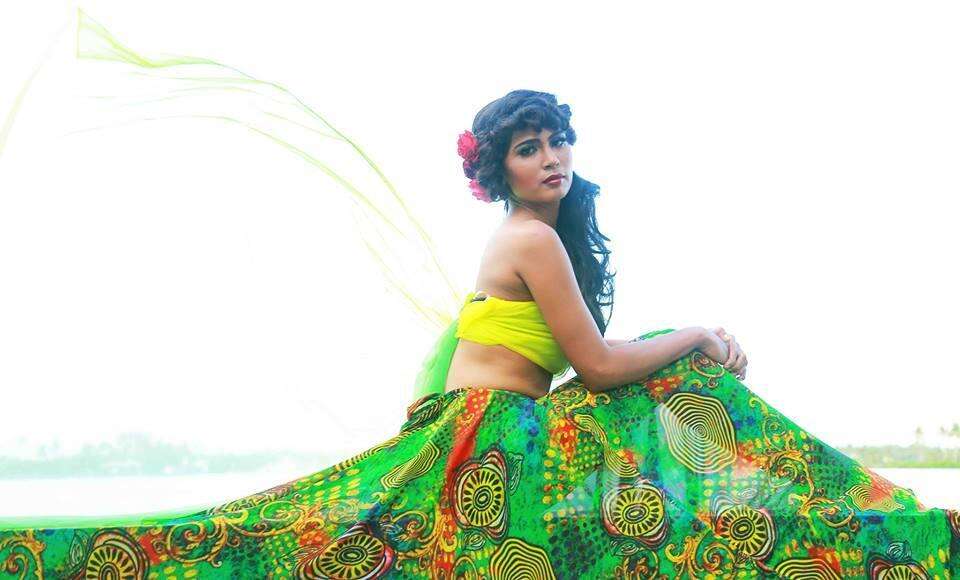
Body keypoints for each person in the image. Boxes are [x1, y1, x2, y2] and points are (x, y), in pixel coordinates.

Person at [0, 89, 957, 579]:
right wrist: (701, 331)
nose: (551, 158)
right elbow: (597, 366)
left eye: (557, 141)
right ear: (502, 172)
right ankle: (877, 527)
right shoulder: (530, 239)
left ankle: (854, 525)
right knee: (283, 541)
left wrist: (686, 342)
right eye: (528, 149)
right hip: (489, 439)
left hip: (510, 430)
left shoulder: (541, 238)